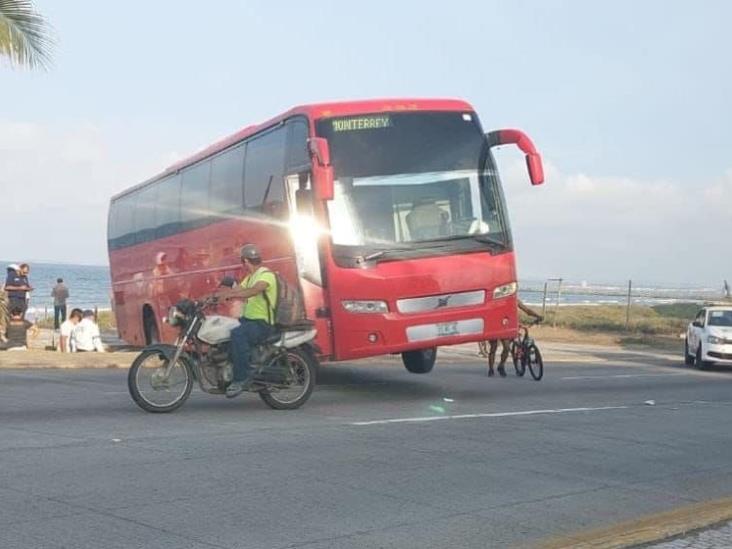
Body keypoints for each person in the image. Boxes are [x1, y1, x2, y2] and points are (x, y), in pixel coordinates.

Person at [213, 244, 277, 398]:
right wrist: (214, 297)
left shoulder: (266, 275)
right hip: (249, 321)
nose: (243, 265)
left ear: (246, 261)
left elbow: (255, 290)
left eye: (243, 262)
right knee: (224, 332)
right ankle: (226, 373)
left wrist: (232, 295)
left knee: (238, 334)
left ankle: (241, 378)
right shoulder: (250, 278)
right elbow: (237, 291)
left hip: (263, 324)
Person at [485, 299, 543, 377]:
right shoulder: (495, 299)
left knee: (506, 347)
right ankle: (491, 369)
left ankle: (501, 366)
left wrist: (537, 316)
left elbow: (527, 310)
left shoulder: (514, 300)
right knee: (493, 347)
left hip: (506, 326)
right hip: (495, 325)